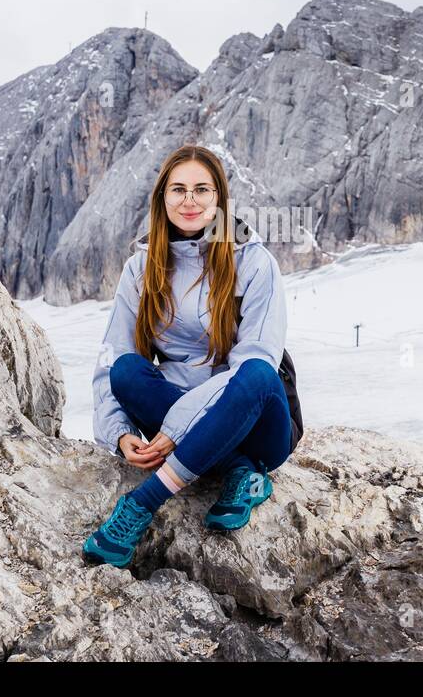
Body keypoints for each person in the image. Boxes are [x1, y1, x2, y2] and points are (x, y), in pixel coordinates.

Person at [81, 144, 292, 568]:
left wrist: (179, 427)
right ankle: (237, 472)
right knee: (127, 371)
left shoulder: (253, 261)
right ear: (162, 198)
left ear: (219, 198)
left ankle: (140, 505)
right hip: (178, 408)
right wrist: (119, 434)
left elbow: (259, 356)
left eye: (202, 189)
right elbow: (113, 356)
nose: (190, 200)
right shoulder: (140, 269)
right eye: (178, 189)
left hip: (258, 421)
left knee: (255, 373)